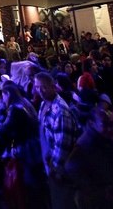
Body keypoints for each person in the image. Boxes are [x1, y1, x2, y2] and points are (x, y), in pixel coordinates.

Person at [65, 104, 113, 208]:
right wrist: (94, 187)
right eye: (104, 124)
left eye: (110, 124)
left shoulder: (102, 138)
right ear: (92, 123)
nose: (109, 128)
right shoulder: (87, 143)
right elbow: (70, 166)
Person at [33, 71, 77, 209]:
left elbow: (62, 144)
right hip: (49, 166)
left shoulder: (61, 112)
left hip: (60, 171)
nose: (40, 91)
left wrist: (54, 169)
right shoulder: (44, 104)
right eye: (37, 87)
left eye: (44, 87)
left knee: (63, 202)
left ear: (53, 86)